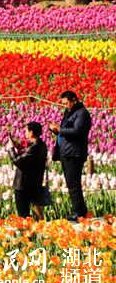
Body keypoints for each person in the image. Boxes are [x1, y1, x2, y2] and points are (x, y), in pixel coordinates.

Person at [49, 91, 92, 222]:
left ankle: (79, 213)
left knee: (74, 184)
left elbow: (77, 131)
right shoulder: (69, 112)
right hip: (66, 152)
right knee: (71, 183)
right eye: (63, 104)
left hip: (74, 153)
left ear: (74, 100)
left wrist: (59, 129)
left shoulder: (82, 113)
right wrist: (56, 130)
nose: (65, 106)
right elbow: (66, 130)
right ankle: (79, 211)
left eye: (66, 103)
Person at [9, 121, 48, 220]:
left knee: (23, 213)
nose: (25, 133)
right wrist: (18, 146)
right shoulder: (41, 145)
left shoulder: (34, 148)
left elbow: (18, 161)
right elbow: (27, 155)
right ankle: (37, 227)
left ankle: (26, 228)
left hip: (23, 184)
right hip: (34, 183)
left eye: (26, 131)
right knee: (36, 210)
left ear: (31, 132)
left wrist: (10, 149)